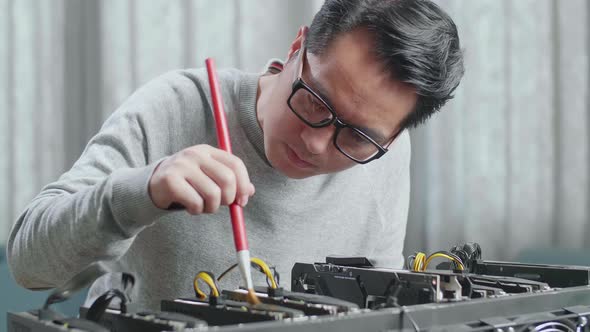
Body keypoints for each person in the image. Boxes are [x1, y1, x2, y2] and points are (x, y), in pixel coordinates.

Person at [7, 0, 464, 311]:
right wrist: (142, 191)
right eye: (315, 102)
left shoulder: (385, 154)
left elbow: (378, 303)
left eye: (358, 137)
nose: (316, 143)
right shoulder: (177, 106)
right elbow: (28, 263)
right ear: (295, 50)